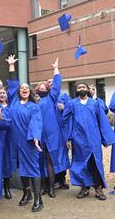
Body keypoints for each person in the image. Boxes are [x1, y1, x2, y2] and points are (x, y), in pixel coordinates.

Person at [62, 83, 115, 201]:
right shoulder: (71, 104)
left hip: (93, 138)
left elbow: (102, 121)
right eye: (79, 87)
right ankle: (84, 187)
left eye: (84, 87)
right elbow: (65, 121)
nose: (81, 89)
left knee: (95, 163)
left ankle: (98, 188)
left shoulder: (95, 103)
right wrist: (68, 138)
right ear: (76, 90)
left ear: (87, 90)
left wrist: (106, 139)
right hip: (79, 139)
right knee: (82, 164)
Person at [6, 55, 43, 212]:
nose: (24, 89)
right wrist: (12, 66)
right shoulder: (14, 102)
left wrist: (35, 138)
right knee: (21, 168)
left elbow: (36, 122)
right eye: (22, 88)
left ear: (30, 91)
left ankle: (38, 199)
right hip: (15, 141)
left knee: (33, 169)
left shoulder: (34, 107)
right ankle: (26, 193)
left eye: (27, 88)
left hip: (29, 142)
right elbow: (13, 84)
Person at [36, 58, 69, 198]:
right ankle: (42, 187)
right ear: (37, 89)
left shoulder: (51, 98)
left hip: (51, 134)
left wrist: (56, 68)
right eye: (40, 86)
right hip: (38, 135)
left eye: (45, 86)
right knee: (39, 161)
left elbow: (56, 85)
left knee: (50, 160)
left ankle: (51, 187)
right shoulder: (33, 101)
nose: (43, 87)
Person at [0, 86, 13, 199]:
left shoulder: (11, 107)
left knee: (7, 163)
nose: (2, 95)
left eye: (3, 93)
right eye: (0, 93)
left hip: (9, 137)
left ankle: (7, 188)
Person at [54, 92, 71, 190]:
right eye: (49, 82)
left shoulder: (64, 96)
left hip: (62, 131)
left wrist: (64, 108)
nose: (51, 83)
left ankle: (61, 180)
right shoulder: (45, 98)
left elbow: (72, 110)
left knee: (62, 156)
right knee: (51, 157)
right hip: (50, 132)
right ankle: (52, 180)